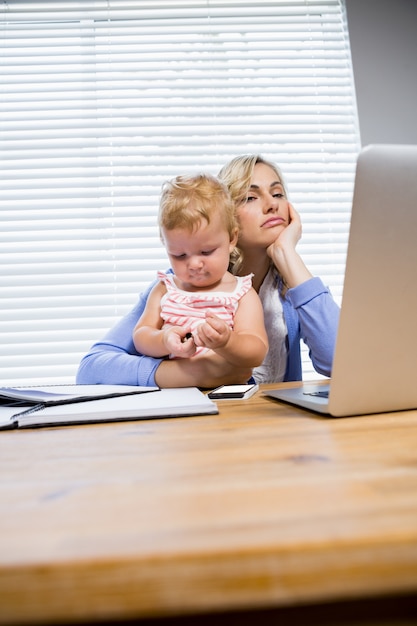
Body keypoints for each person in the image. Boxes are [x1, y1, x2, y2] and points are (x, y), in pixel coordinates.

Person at [76, 154, 340, 388]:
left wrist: (288, 255)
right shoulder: (178, 286)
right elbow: (92, 369)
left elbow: (341, 364)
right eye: (250, 197)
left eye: (278, 193)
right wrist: (186, 373)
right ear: (225, 218)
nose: (272, 205)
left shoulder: (292, 287)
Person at [131, 173, 268, 368]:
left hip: (229, 394)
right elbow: (141, 336)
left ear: (231, 239)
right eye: (179, 255)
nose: (194, 264)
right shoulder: (165, 289)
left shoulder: (241, 294)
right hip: (174, 394)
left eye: (206, 251)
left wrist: (227, 342)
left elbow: (257, 351)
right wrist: (164, 340)